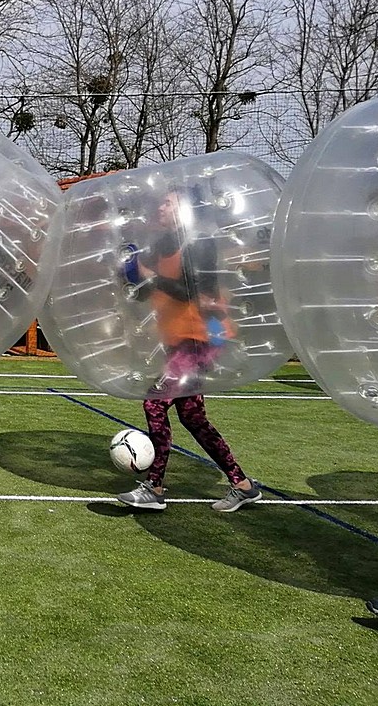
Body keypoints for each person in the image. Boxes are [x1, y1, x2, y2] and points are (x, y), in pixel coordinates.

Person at [116, 186, 260, 512]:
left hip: (202, 338)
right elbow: (142, 292)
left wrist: (151, 280)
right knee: (193, 417)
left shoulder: (199, 244)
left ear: (184, 209)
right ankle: (242, 484)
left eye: (168, 203)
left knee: (155, 404)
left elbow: (189, 291)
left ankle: (154, 487)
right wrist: (129, 272)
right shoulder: (160, 246)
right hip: (179, 339)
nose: (161, 208)